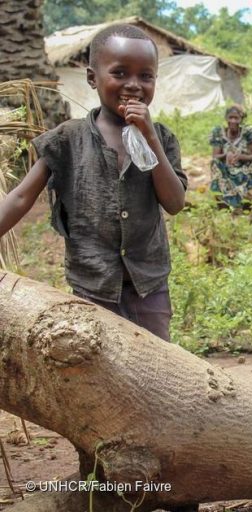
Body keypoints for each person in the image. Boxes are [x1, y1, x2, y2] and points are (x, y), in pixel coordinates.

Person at [0, 25, 187, 347]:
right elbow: (19, 197)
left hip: (148, 285)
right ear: (92, 78)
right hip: (92, 283)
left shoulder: (163, 138)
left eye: (146, 76)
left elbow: (174, 202)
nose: (134, 85)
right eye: (119, 73)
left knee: (158, 363)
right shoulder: (67, 139)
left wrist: (150, 137)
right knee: (95, 361)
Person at [209, 104, 252, 207]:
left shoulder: (248, 132)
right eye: (231, 117)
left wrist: (241, 157)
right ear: (226, 118)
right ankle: (220, 204)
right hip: (227, 169)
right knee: (214, 163)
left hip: (244, 169)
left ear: (241, 119)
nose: (233, 121)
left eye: (236, 118)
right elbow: (215, 156)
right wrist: (226, 155)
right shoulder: (219, 133)